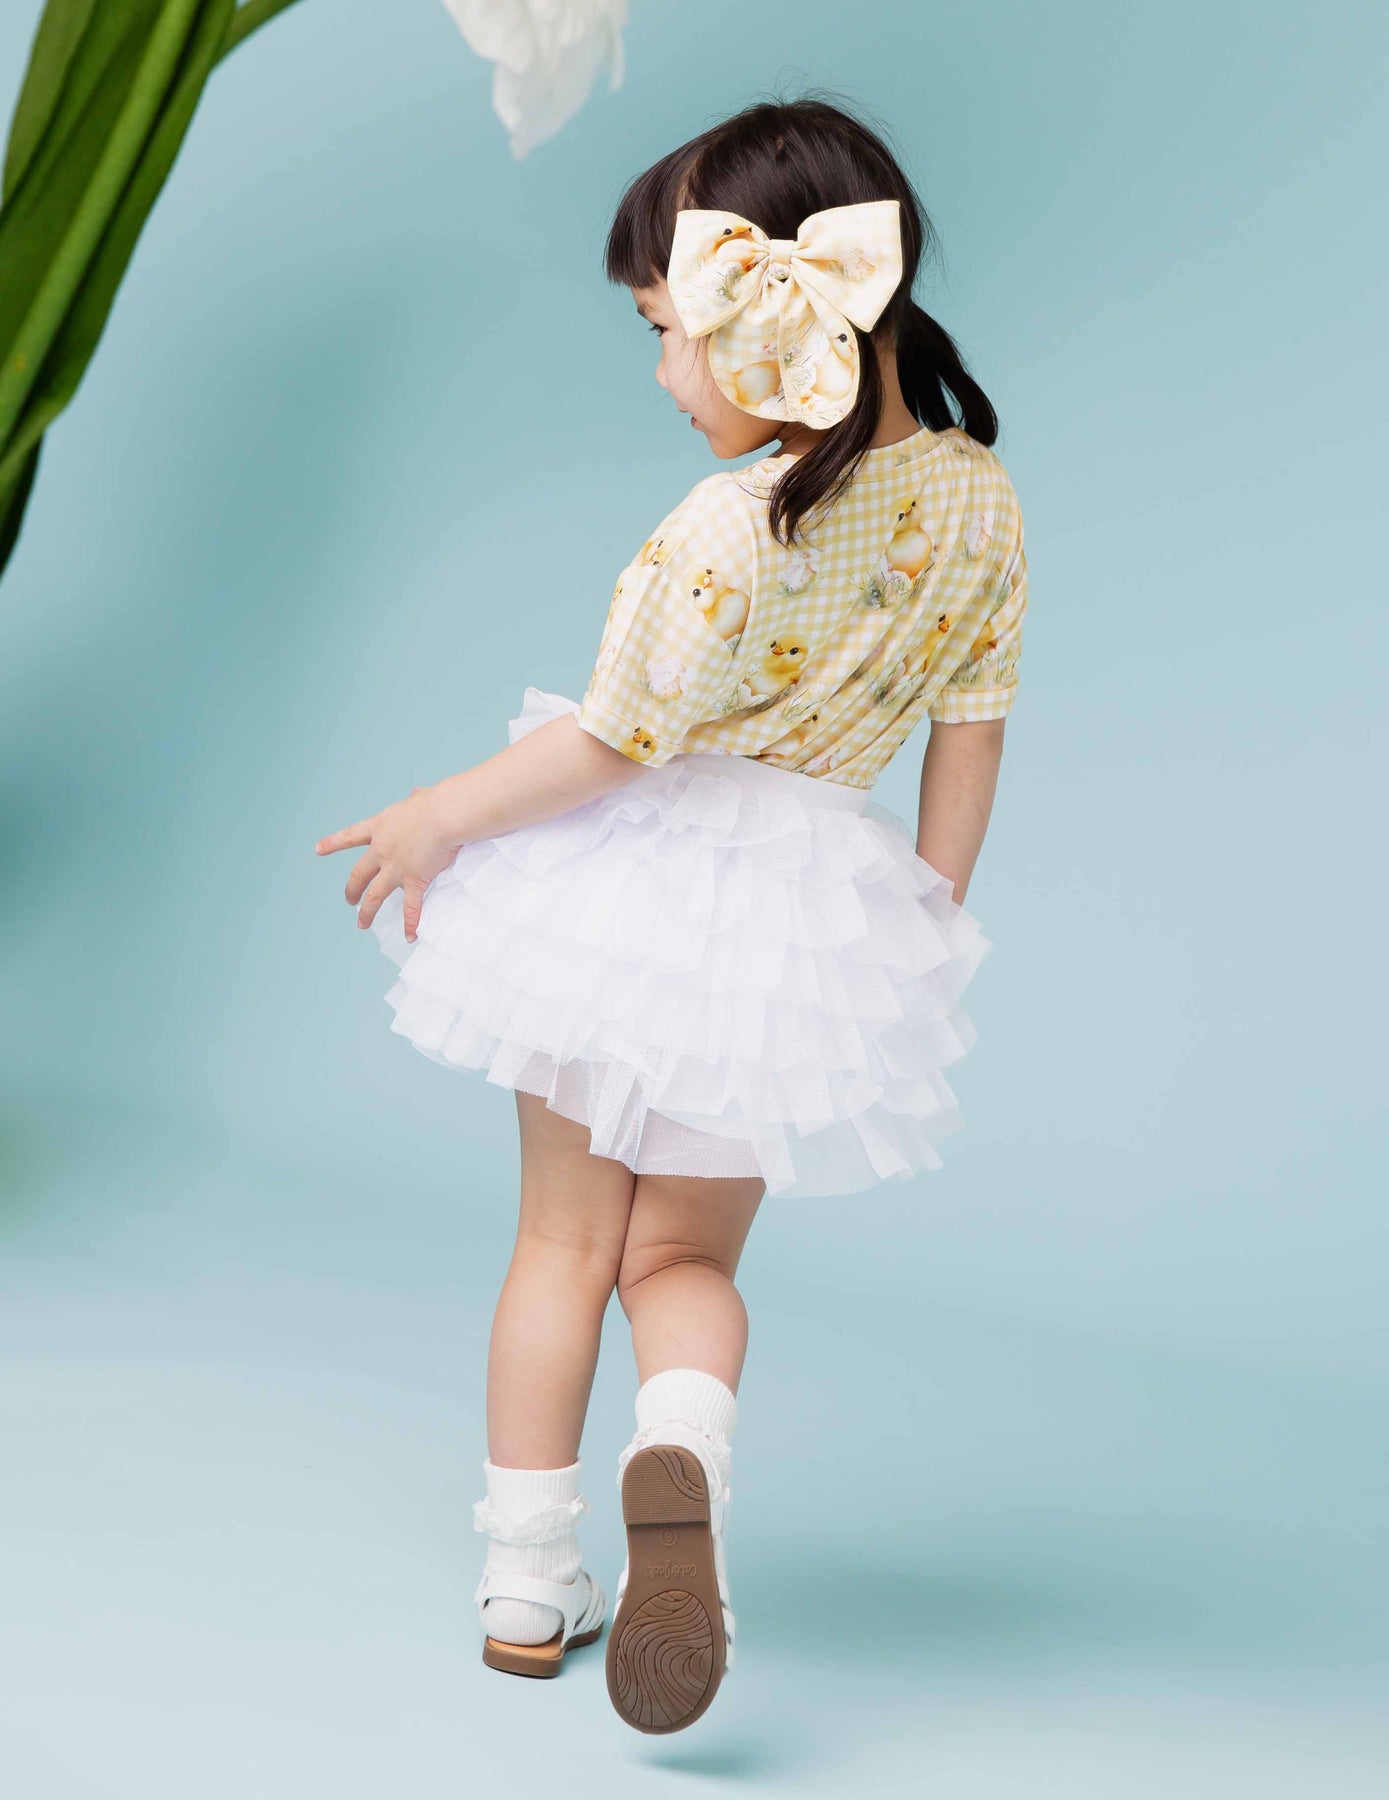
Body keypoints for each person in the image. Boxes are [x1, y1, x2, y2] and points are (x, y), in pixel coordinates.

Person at [314, 94, 1027, 1736]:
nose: (661, 377)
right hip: (797, 925)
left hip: (622, 892)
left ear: (769, 318)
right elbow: (973, 730)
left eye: (667, 333)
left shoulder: (726, 522)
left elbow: (614, 743)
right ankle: (680, 1446)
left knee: (563, 1243)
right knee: (684, 1255)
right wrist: (921, 920)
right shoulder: (981, 500)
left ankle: (525, 1579)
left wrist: (435, 817)